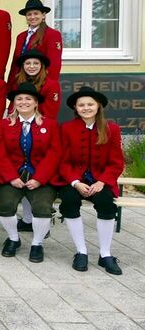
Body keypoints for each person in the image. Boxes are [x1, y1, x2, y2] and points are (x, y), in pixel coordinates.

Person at [58, 87, 124, 275]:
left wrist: (102, 182)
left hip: (100, 181)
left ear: (98, 106)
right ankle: (81, 251)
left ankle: (105, 254)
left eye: (90, 104)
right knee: (69, 201)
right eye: (81, 105)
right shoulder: (67, 128)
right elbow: (63, 161)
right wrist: (75, 182)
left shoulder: (111, 129)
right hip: (74, 180)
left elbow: (116, 162)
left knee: (106, 203)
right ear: (76, 108)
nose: (86, 108)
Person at [0, 83, 61, 263]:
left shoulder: (50, 124)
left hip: (41, 177)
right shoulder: (4, 124)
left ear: (36, 102)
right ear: (14, 103)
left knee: (42, 207)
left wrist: (39, 179)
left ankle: (37, 244)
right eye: (19, 99)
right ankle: (13, 238)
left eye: (28, 99)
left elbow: (54, 154)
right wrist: (11, 177)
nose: (24, 102)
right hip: (11, 176)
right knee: (5, 205)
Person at [7, 0, 63, 82]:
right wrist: (10, 85)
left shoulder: (52, 34)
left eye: (36, 13)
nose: (32, 17)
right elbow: (15, 64)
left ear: (43, 15)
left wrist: (49, 85)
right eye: (29, 14)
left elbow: (54, 65)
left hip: (39, 82)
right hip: (21, 82)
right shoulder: (21, 36)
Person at [6, 49, 61, 119]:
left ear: (41, 65)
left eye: (36, 63)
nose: (31, 66)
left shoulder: (52, 85)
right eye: (28, 63)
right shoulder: (17, 82)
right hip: (17, 121)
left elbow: (50, 114)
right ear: (23, 65)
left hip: (40, 122)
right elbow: (13, 107)